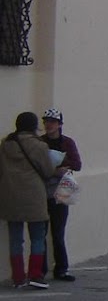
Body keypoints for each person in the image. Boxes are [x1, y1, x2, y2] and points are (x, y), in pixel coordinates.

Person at [0, 112, 55, 289]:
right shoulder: (39, 146)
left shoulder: (6, 144)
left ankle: (17, 277)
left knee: (16, 239)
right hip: (34, 197)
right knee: (38, 238)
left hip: (10, 195)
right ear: (33, 126)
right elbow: (47, 171)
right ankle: (35, 275)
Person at [38, 108, 81, 282]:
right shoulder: (40, 143)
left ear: (60, 125)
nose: (49, 125)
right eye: (47, 122)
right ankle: (40, 269)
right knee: (41, 232)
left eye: (53, 122)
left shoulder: (67, 143)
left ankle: (61, 269)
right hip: (42, 188)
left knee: (58, 231)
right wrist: (52, 170)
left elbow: (77, 164)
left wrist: (63, 166)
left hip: (62, 188)